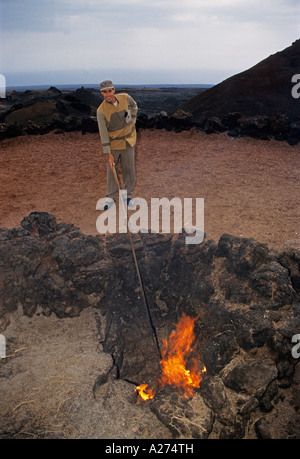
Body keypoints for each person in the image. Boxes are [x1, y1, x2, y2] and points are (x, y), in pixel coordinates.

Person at [97, 80, 138, 210]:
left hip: (129, 141)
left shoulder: (125, 98)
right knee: (112, 171)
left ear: (114, 90)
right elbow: (103, 134)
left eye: (109, 91)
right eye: (104, 92)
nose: (108, 94)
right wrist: (108, 153)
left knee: (129, 170)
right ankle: (110, 199)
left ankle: (128, 197)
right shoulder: (101, 111)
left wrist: (130, 120)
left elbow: (134, 107)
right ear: (102, 93)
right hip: (114, 145)